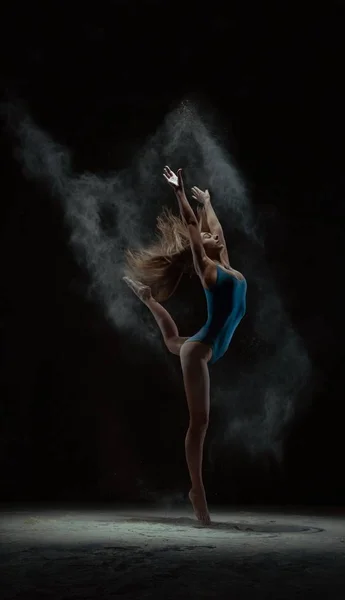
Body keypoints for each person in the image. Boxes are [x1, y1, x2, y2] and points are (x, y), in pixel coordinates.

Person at [123, 166, 247, 525]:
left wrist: (208, 202)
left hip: (207, 344)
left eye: (215, 236)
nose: (215, 237)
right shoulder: (207, 268)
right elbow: (195, 229)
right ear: (200, 251)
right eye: (208, 239)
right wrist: (179, 194)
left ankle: (148, 300)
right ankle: (198, 491)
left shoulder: (224, 262)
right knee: (200, 421)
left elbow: (214, 228)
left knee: (174, 341)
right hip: (203, 350)